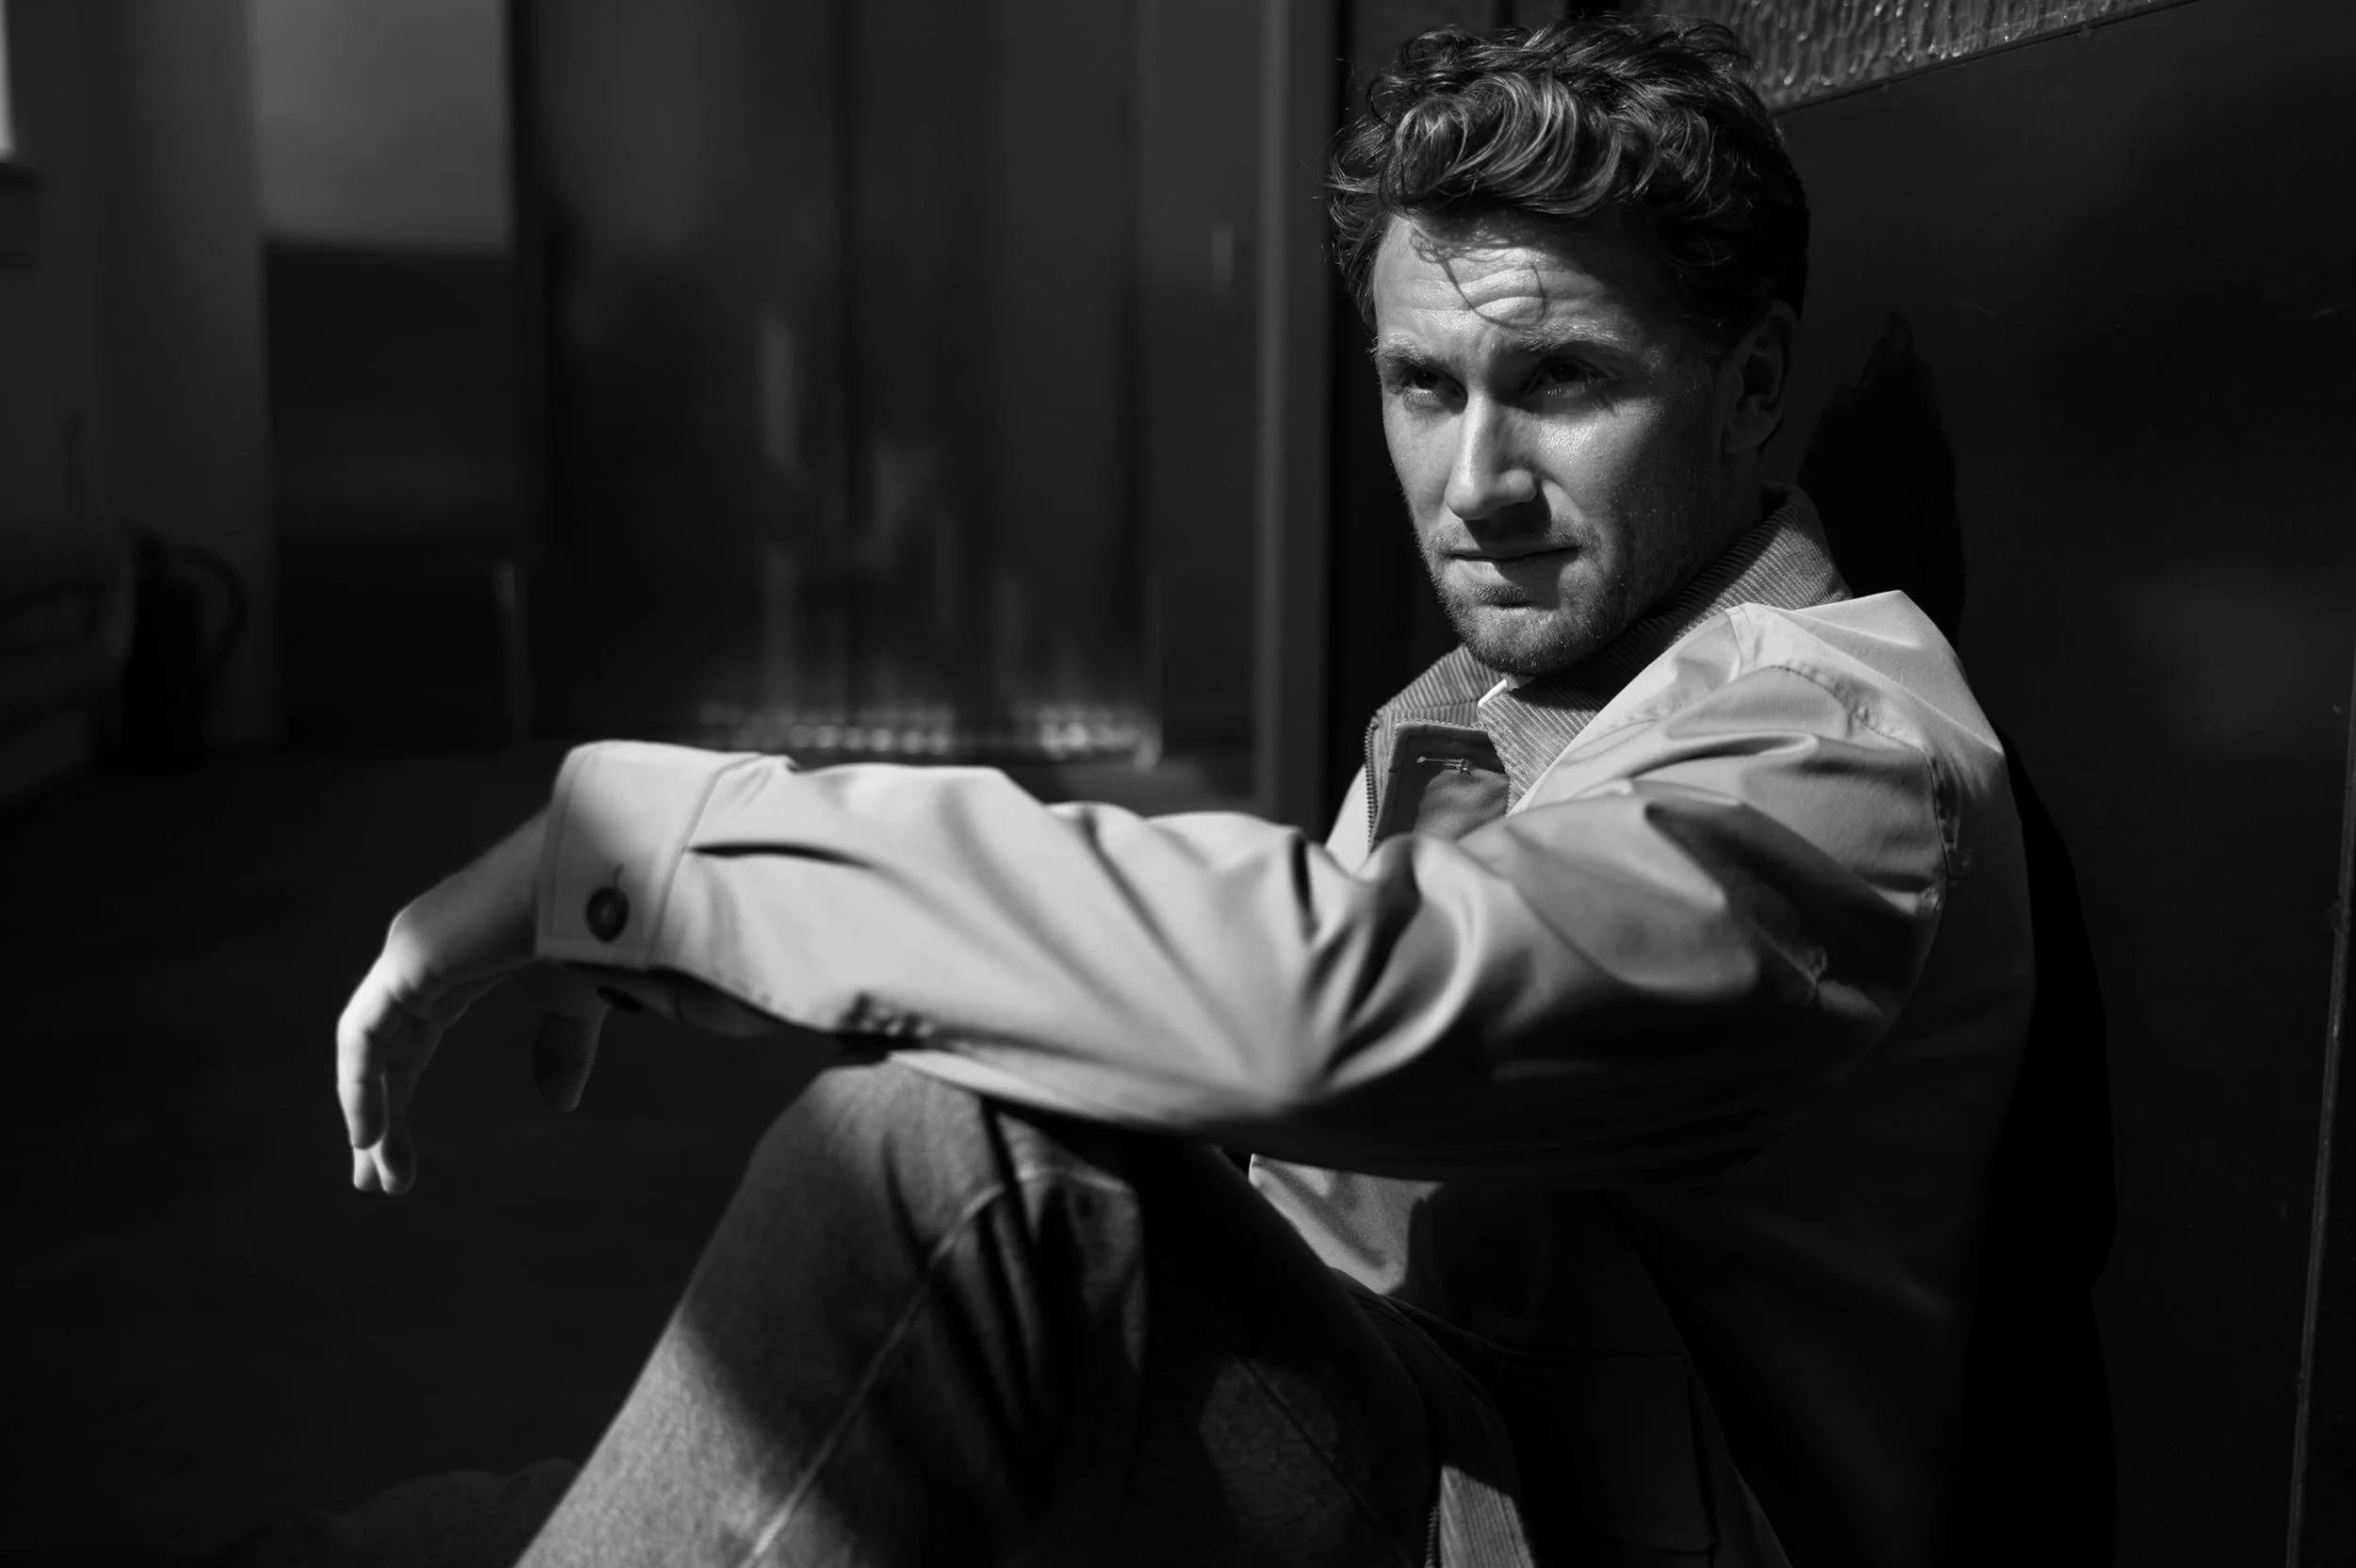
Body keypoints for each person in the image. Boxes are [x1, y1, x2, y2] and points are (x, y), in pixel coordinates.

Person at [326, 16, 2037, 1567]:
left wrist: (664, 854)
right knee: (417, 1541)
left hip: (1518, 1518)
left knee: (947, 1162)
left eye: (1564, 383)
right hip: (1368, 1417)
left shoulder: (1846, 765)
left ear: (1749, 388)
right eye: (1423, 386)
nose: (1476, 482)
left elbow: (1349, 999)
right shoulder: (1495, 707)